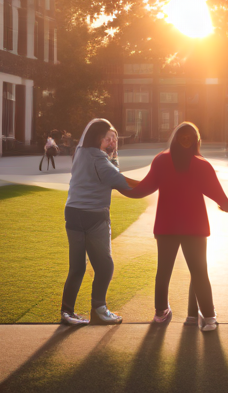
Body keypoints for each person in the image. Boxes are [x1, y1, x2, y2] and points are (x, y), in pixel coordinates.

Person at [120, 122, 228, 332]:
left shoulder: (161, 160)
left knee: (163, 271)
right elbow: (222, 200)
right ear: (198, 141)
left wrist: (115, 182)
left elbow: (142, 189)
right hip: (194, 227)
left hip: (166, 226)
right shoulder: (201, 164)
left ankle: (161, 312)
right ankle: (209, 318)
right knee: (199, 272)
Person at [60, 118, 138, 326]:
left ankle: (67, 312)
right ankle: (100, 310)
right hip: (94, 216)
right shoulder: (99, 160)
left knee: (77, 267)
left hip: (72, 212)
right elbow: (125, 185)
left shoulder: (81, 152)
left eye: (115, 138)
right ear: (97, 138)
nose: (112, 142)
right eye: (108, 138)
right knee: (105, 266)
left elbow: (112, 172)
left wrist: (112, 152)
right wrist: (159, 184)